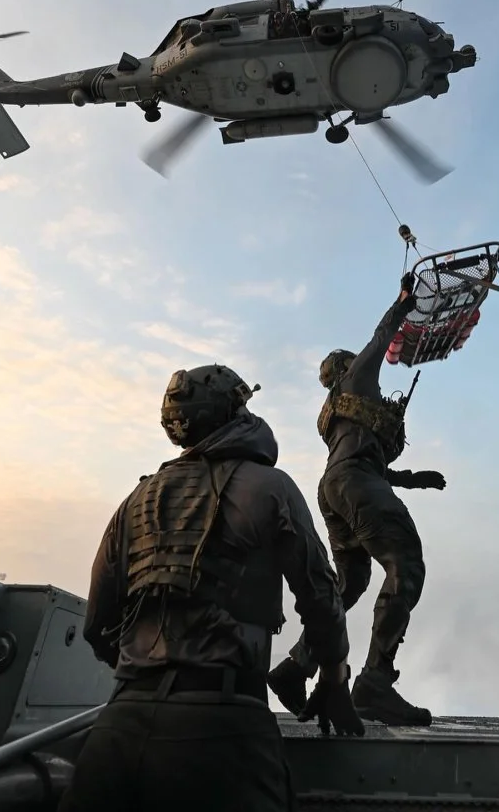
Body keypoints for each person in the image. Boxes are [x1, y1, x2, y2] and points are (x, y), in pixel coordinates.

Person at [58, 363, 364, 812]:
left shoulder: (137, 499)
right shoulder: (271, 487)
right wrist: (334, 678)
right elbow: (322, 597)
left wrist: (144, 681)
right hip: (224, 731)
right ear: (233, 411)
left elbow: (97, 626)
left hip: (118, 730)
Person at [268, 274, 446, 727]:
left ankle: (294, 667)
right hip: (356, 485)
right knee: (406, 566)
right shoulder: (358, 378)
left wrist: (412, 479)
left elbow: (361, 459)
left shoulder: (335, 412)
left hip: (336, 488)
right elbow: (381, 336)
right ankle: (375, 682)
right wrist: (404, 302)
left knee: (350, 584)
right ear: (347, 367)